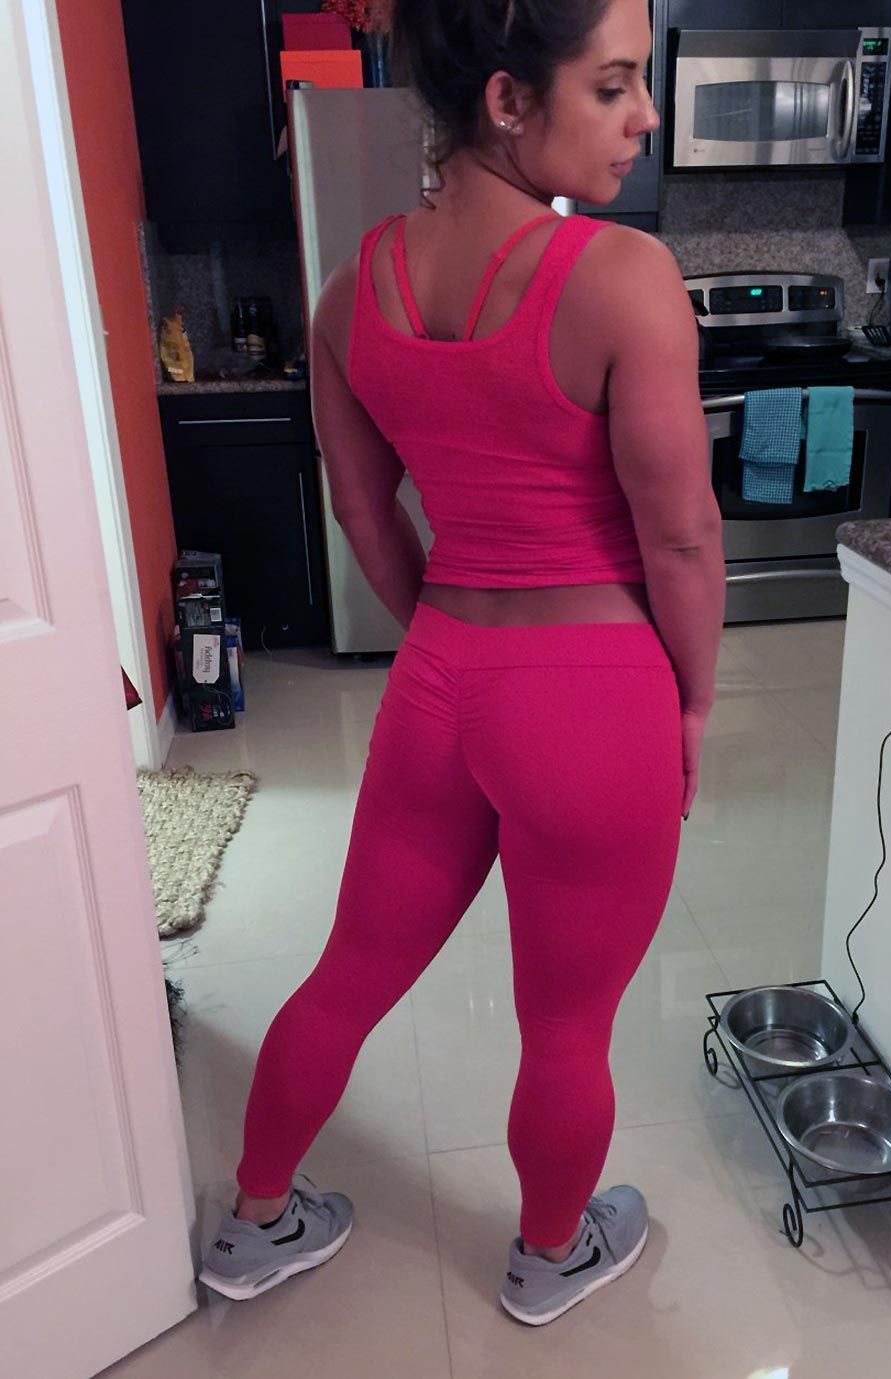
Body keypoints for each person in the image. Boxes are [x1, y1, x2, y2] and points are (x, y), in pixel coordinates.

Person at [199, 0, 723, 1325]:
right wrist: (692, 702)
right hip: (592, 699)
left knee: (348, 970)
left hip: (439, 685)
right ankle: (549, 1253)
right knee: (567, 1024)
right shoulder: (622, 277)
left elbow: (364, 515)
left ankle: (255, 1221)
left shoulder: (350, 290)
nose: (644, 116)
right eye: (613, 85)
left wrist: (447, 627)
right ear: (506, 100)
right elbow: (678, 537)